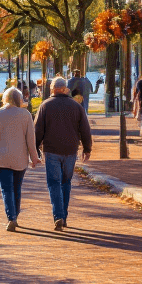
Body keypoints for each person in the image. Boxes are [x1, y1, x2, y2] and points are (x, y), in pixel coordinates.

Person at [34, 76, 93, 230]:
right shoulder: (76, 106)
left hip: (52, 150)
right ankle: (63, 216)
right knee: (66, 183)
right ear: (65, 88)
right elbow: (85, 129)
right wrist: (87, 148)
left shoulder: (45, 106)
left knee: (54, 183)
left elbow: (37, 130)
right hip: (70, 150)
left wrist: (34, 150)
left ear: (52, 89)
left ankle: (58, 215)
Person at [0, 87, 41, 231]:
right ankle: (15, 214)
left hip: (1, 158)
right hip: (20, 159)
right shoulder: (26, 115)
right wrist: (34, 157)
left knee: (6, 189)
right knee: (16, 188)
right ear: (19, 99)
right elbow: (30, 140)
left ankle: (11, 217)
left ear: (5, 99)